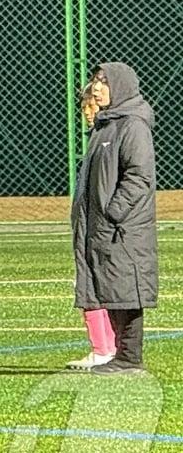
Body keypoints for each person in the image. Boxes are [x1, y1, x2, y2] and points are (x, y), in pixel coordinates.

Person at [72, 62, 157, 376]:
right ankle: (119, 355)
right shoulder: (105, 126)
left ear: (120, 86)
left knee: (126, 288)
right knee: (110, 286)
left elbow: (139, 176)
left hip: (123, 228)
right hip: (102, 227)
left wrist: (113, 212)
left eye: (104, 82)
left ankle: (129, 358)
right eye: (95, 80)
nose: (96, 87)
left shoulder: (132, 125)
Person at [66, 84, 116, 370]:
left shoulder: (110, 139)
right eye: (85, 107)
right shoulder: (97, 139)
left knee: (92, 284)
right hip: (90, 224)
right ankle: (106, 348)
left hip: (101, 226)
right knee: (91, 284)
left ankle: (103, 349)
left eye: (92, 106)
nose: (87, 113)